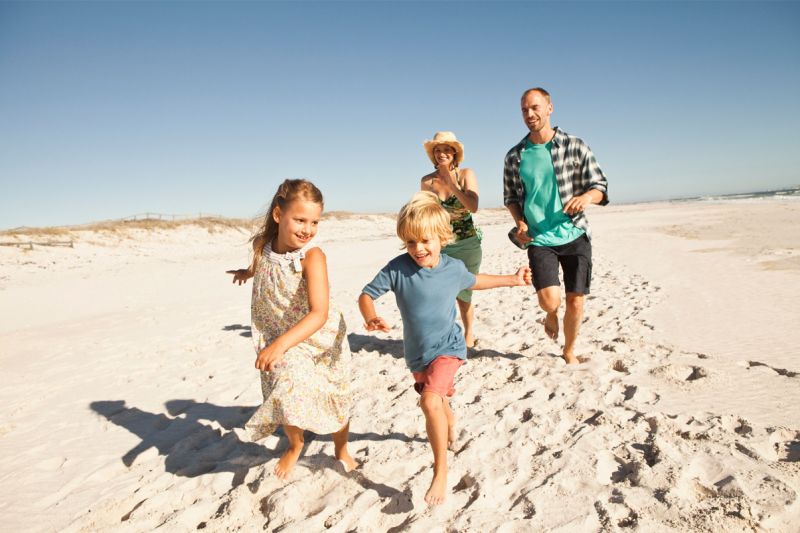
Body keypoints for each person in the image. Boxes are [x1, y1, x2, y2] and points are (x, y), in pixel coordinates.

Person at [358, 191, 531, 506]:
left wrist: (511, 279)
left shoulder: (452, 268)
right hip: (416, 353)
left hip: (449, 347)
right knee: (437, 403)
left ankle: (440, 471)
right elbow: (367, 294)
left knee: (429, 401)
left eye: (425, 241)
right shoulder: (397, 269)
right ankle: (450, 423)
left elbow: (474, 281)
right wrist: (370, 316)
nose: (418, 249)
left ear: (442, 237)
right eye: (411, 242)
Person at [227, 179, 355, 479]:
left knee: (333, 396)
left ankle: (341, 448)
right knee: (284, 390)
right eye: (300, 219)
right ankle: (295, 445)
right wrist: (247, 272)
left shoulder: (313, 257)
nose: (307, 229)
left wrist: (281, 344)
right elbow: (262, 265)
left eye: (314, 222)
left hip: (318, 339)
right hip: (279, 333)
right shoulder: (263, 246)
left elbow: (320, 312)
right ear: (277, 216)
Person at [503, 87, 609, 365]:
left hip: (574, 233)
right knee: (550, 301)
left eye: (535, 107)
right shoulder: (515, 156)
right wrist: (520, 223)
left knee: (576, 300)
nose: (530, 114)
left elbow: (600, 186)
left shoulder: (575, 145)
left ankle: (569, 350)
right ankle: (550, 314)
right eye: (525, 110)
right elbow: (511, 197)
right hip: (539, 238)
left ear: (550, 108)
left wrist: (585, 197)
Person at [420, 131, 482, 348]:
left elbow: (472, 206)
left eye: (446, 149)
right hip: (441, 246)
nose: (442, 153)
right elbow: (426, 214)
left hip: (467, 244)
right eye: (438, 149)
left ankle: (469, 333)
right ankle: (444, 335)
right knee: (440, 293)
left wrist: (452, 183)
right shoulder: (427, 181)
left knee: (464, 295)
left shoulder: (466, 174)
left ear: (454, 153)